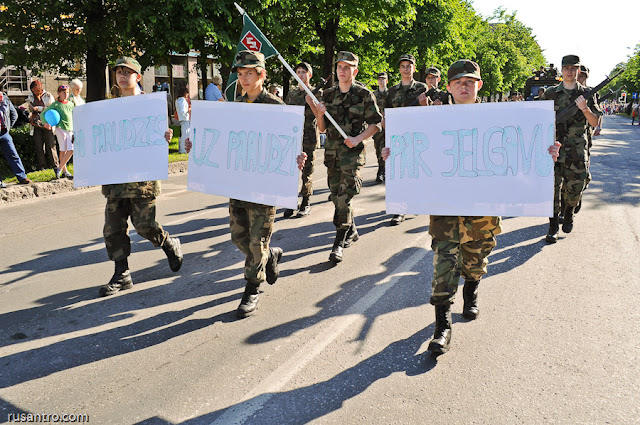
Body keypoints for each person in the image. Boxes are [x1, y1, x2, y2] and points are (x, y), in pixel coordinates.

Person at [381, 60, 560, 355]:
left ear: (479, 86)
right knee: (443, 269)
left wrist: (545, 153)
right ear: (448, 87)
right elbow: (415, 151)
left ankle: (471, 289)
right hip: (446, 212)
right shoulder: (432, 121)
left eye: (469, 82)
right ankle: (442, 326)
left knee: (475, 263)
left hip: (482, 213)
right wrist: (395, 154)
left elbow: (522, 152)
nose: (464, 86)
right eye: (458, 82)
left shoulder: (502, 120)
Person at [186, 50, 306, 318]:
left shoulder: (277, 106)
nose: (244, 78)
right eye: (240, 74)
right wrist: (198, 145)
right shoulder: (233, 105)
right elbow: (221, 141)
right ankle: (270, 256)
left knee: (256, 242)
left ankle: (252, 289)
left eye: (249, 73)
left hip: (265, 188)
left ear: (262, 74)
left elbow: (287, 144)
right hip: (239, 185)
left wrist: (296, 158)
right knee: (239, 237)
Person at [99, 57, 183, 297]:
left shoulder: (150, 105)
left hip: (142, 178)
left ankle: (168, 243)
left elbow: (159, 135)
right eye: (119, 72)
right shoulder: (108, 106)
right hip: (116, 178)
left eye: (128, 72)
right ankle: (122, 274)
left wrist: (165, 137)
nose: (122, 76)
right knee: (113, 228)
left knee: (145, 226)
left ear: (137, 76)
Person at [310, 51, 382, 263]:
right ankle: (351, 229)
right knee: (335, 196)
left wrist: (358, 138)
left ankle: (338, 242)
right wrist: (319, 114)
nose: (342, 71)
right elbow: (322, 129)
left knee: (345, 197)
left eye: (347, 67)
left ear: (355, 71)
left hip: (352, 155)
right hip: (332, 154)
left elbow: (376, 124)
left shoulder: (364, 94)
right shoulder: (329, 95)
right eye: (340, 67)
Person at [542, 55, 601, 243]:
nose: (569, 71)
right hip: (554, 150)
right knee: (551, 190)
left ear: (578, 71)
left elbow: (595, 122)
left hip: (577, 150)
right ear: (561, 70)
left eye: (573, 68)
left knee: (576, 187)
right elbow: (537, 119)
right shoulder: (551, 94)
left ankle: (568, 212)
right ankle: (552, 226)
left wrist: (584, 108)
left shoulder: (588, 93)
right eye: (566, 68)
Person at [384, 54, 428, 226]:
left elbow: (428, 113)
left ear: (414, 68)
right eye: (403, 66)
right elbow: (386, 114)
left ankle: (417, 199)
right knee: (397, 174)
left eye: (409, 66)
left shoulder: (422, 88)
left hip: (418, 137)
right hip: (398, 138)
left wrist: (425, 104)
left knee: (417, 171)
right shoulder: (392, 91)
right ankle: (398, 209)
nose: (405, 69)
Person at [283, 62, 321, 217]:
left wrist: (311, 101)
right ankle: (291, 201)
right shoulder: (291, 94)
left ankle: (306, 201)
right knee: (291, 170)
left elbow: (320, 114)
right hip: (293, 136)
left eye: (304, 72)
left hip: (309, 136)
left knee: (307, 170)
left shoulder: (316, 93)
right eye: (298, 72)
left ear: (309, 75)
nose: (300, 75)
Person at [41, 85, 75, 179]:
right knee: (63, 150)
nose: (66, 94)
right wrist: (45, 123)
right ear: (59, 93)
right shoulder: (55, 104)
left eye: (67, 92)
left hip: (70, 129)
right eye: (63, 92)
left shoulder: (71, 104)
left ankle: (59, 169)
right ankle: (65, 171)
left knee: (71, 149)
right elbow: (43, 113)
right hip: (60, 128)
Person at [0, 91, 32, 187]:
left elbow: (14, 114)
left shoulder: (6, 100)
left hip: (4, 133)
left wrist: (8, 128)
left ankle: (22, 177)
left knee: (13, 154)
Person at [26, 80, 59, 171]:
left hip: (47, 123)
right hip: (36, 124)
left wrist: (39, 108)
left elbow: (52, 108)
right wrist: (31, 110)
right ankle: (41, 166)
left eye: (36, 90)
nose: (35, 92)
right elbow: (28, 108)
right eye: (33, 90)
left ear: (40, 88)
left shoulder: (48, 95)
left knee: (50, 145)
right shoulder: (30, 96)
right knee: (39, 145)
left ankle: (55, 165)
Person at [372, 72, 388, 183]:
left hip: (389, 124)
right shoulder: (373, 95)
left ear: (386, 81)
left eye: (383, 79)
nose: (381, 81)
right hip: (378, 125)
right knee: (378, 148)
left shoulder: (390, 94)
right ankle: (381, 168)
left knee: (387, 147)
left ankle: (384, 170)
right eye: (380, 79)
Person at [175, 85, 191, 154]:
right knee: (185, 134)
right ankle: (183, 149)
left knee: (184, 134)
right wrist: (187, 111)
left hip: (183, 118)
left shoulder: (178, 100)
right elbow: (182, 110)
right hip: (184, 119)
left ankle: (182, 148)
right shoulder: (182, 100)